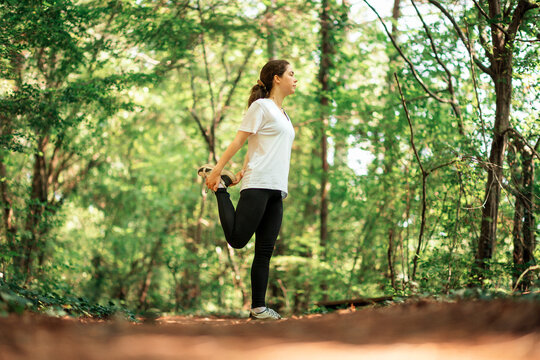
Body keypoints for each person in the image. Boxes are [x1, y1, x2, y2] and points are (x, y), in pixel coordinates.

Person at [198, 59, 297, 320]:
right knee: (238, 239)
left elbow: (258, 143)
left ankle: (258, 308)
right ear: (277, 78)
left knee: (265, 250)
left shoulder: (284, 115)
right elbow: (240, 140)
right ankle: (221, 190)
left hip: (277, 189)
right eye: (291, 74)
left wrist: (240, 171)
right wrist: (219, 170)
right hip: (259, 183)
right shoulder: (261, 107)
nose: (295, 78)